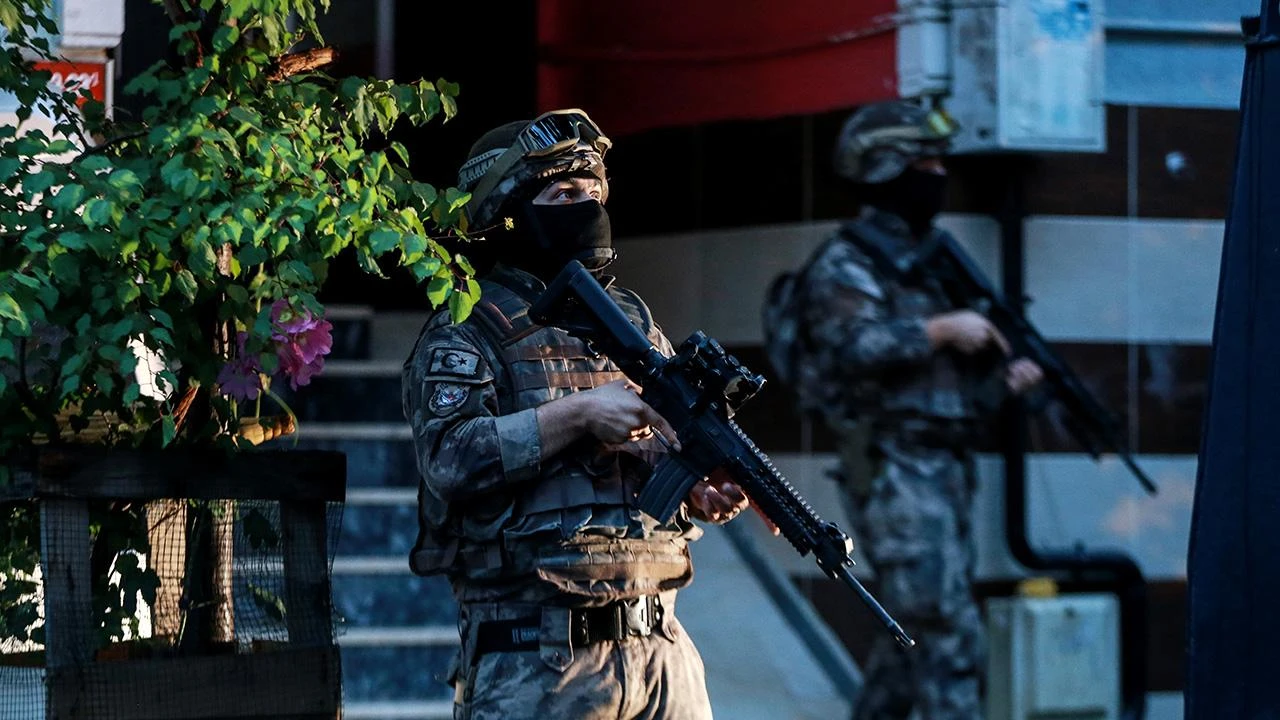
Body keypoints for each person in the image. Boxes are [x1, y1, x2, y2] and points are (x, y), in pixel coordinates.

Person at [402, 109, 749, 720]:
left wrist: (697, 485)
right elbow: (449, 460)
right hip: (538, 661)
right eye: (564, 193)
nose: (588, 207)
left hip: (663, 651)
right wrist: (581, 412)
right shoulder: (470, 328)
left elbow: (660, 450)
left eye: (594, 192)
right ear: (507, 216)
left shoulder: (635, 328)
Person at [782, 101, 1043, 720]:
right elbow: (849, 346)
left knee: (910, 638)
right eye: (922, 162)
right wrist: (943, 330)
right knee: (946, 632)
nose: (936, 175)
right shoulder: (848, 261)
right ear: (885, 170)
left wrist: (1003, 382)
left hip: (941, 466)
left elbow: (948, 394)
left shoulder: (932, 261)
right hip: (891, 465)